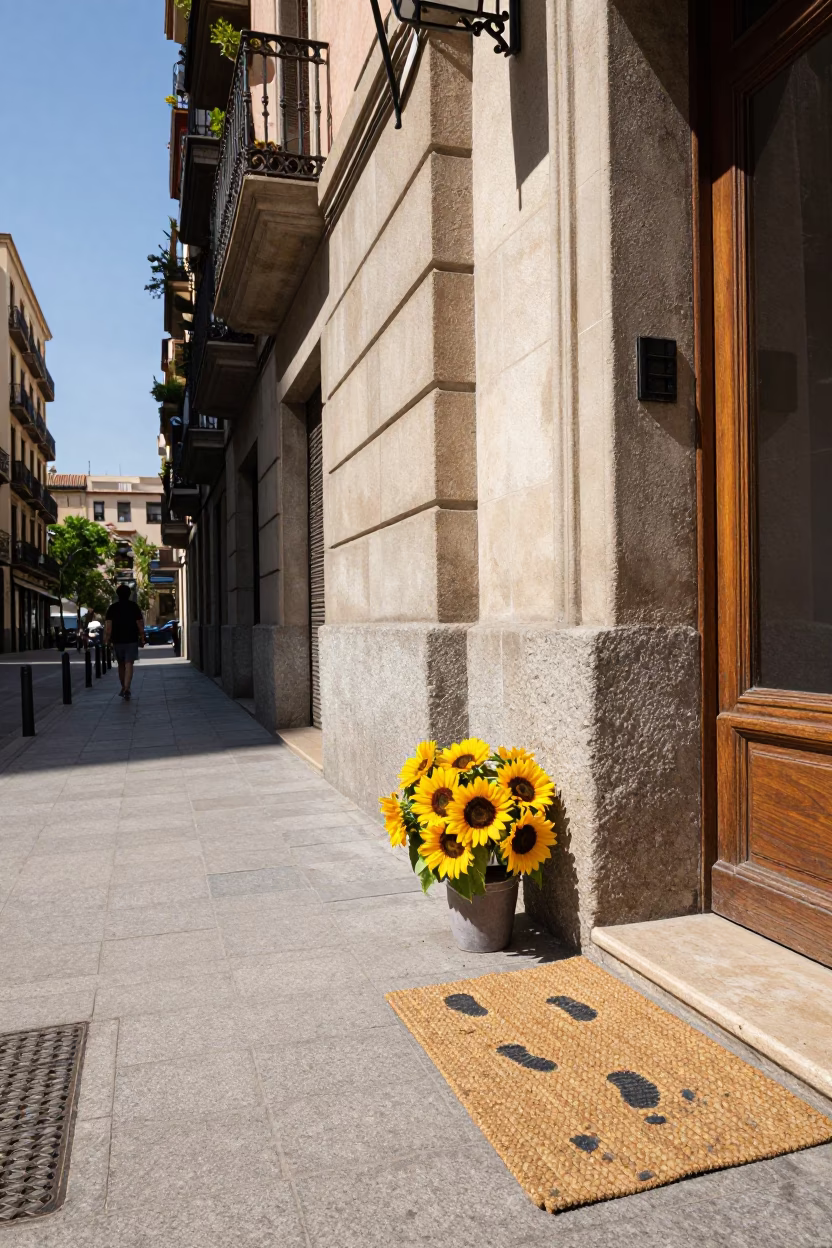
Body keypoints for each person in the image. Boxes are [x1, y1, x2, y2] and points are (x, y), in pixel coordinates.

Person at [104, 585, 145, 701]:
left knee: (121, 664)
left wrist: (107, 640)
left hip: (117, 640)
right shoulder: (134, 606)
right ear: (129, 594)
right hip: (131, 639)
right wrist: (142, 637)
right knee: (129, 663)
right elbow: (139, 623)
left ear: (117, 595)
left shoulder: (112, 608)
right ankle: (127, 687)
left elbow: (108, 627)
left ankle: (123, 687)